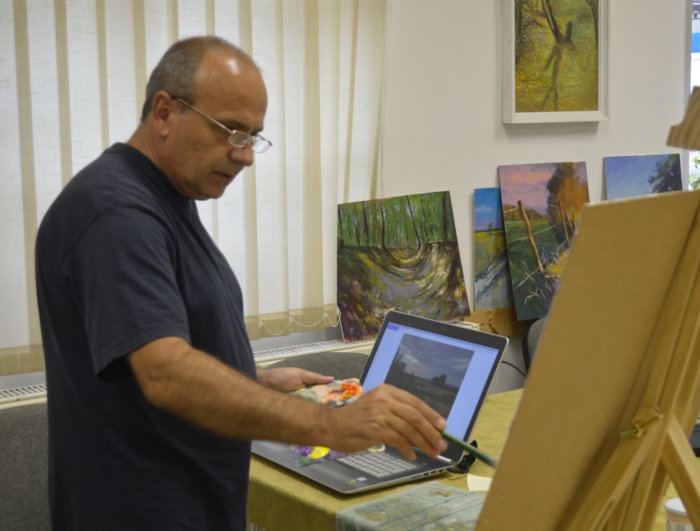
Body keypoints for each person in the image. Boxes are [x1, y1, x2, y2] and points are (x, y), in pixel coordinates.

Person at [35, 35, 447, 530]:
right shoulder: (117, 213)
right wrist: (328, 424)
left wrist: (255, 380)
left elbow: (157, 355)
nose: (246, 155)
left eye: (253, 136)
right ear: (164, 113)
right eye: (231, 131)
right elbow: (166, 374)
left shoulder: (165, 198)